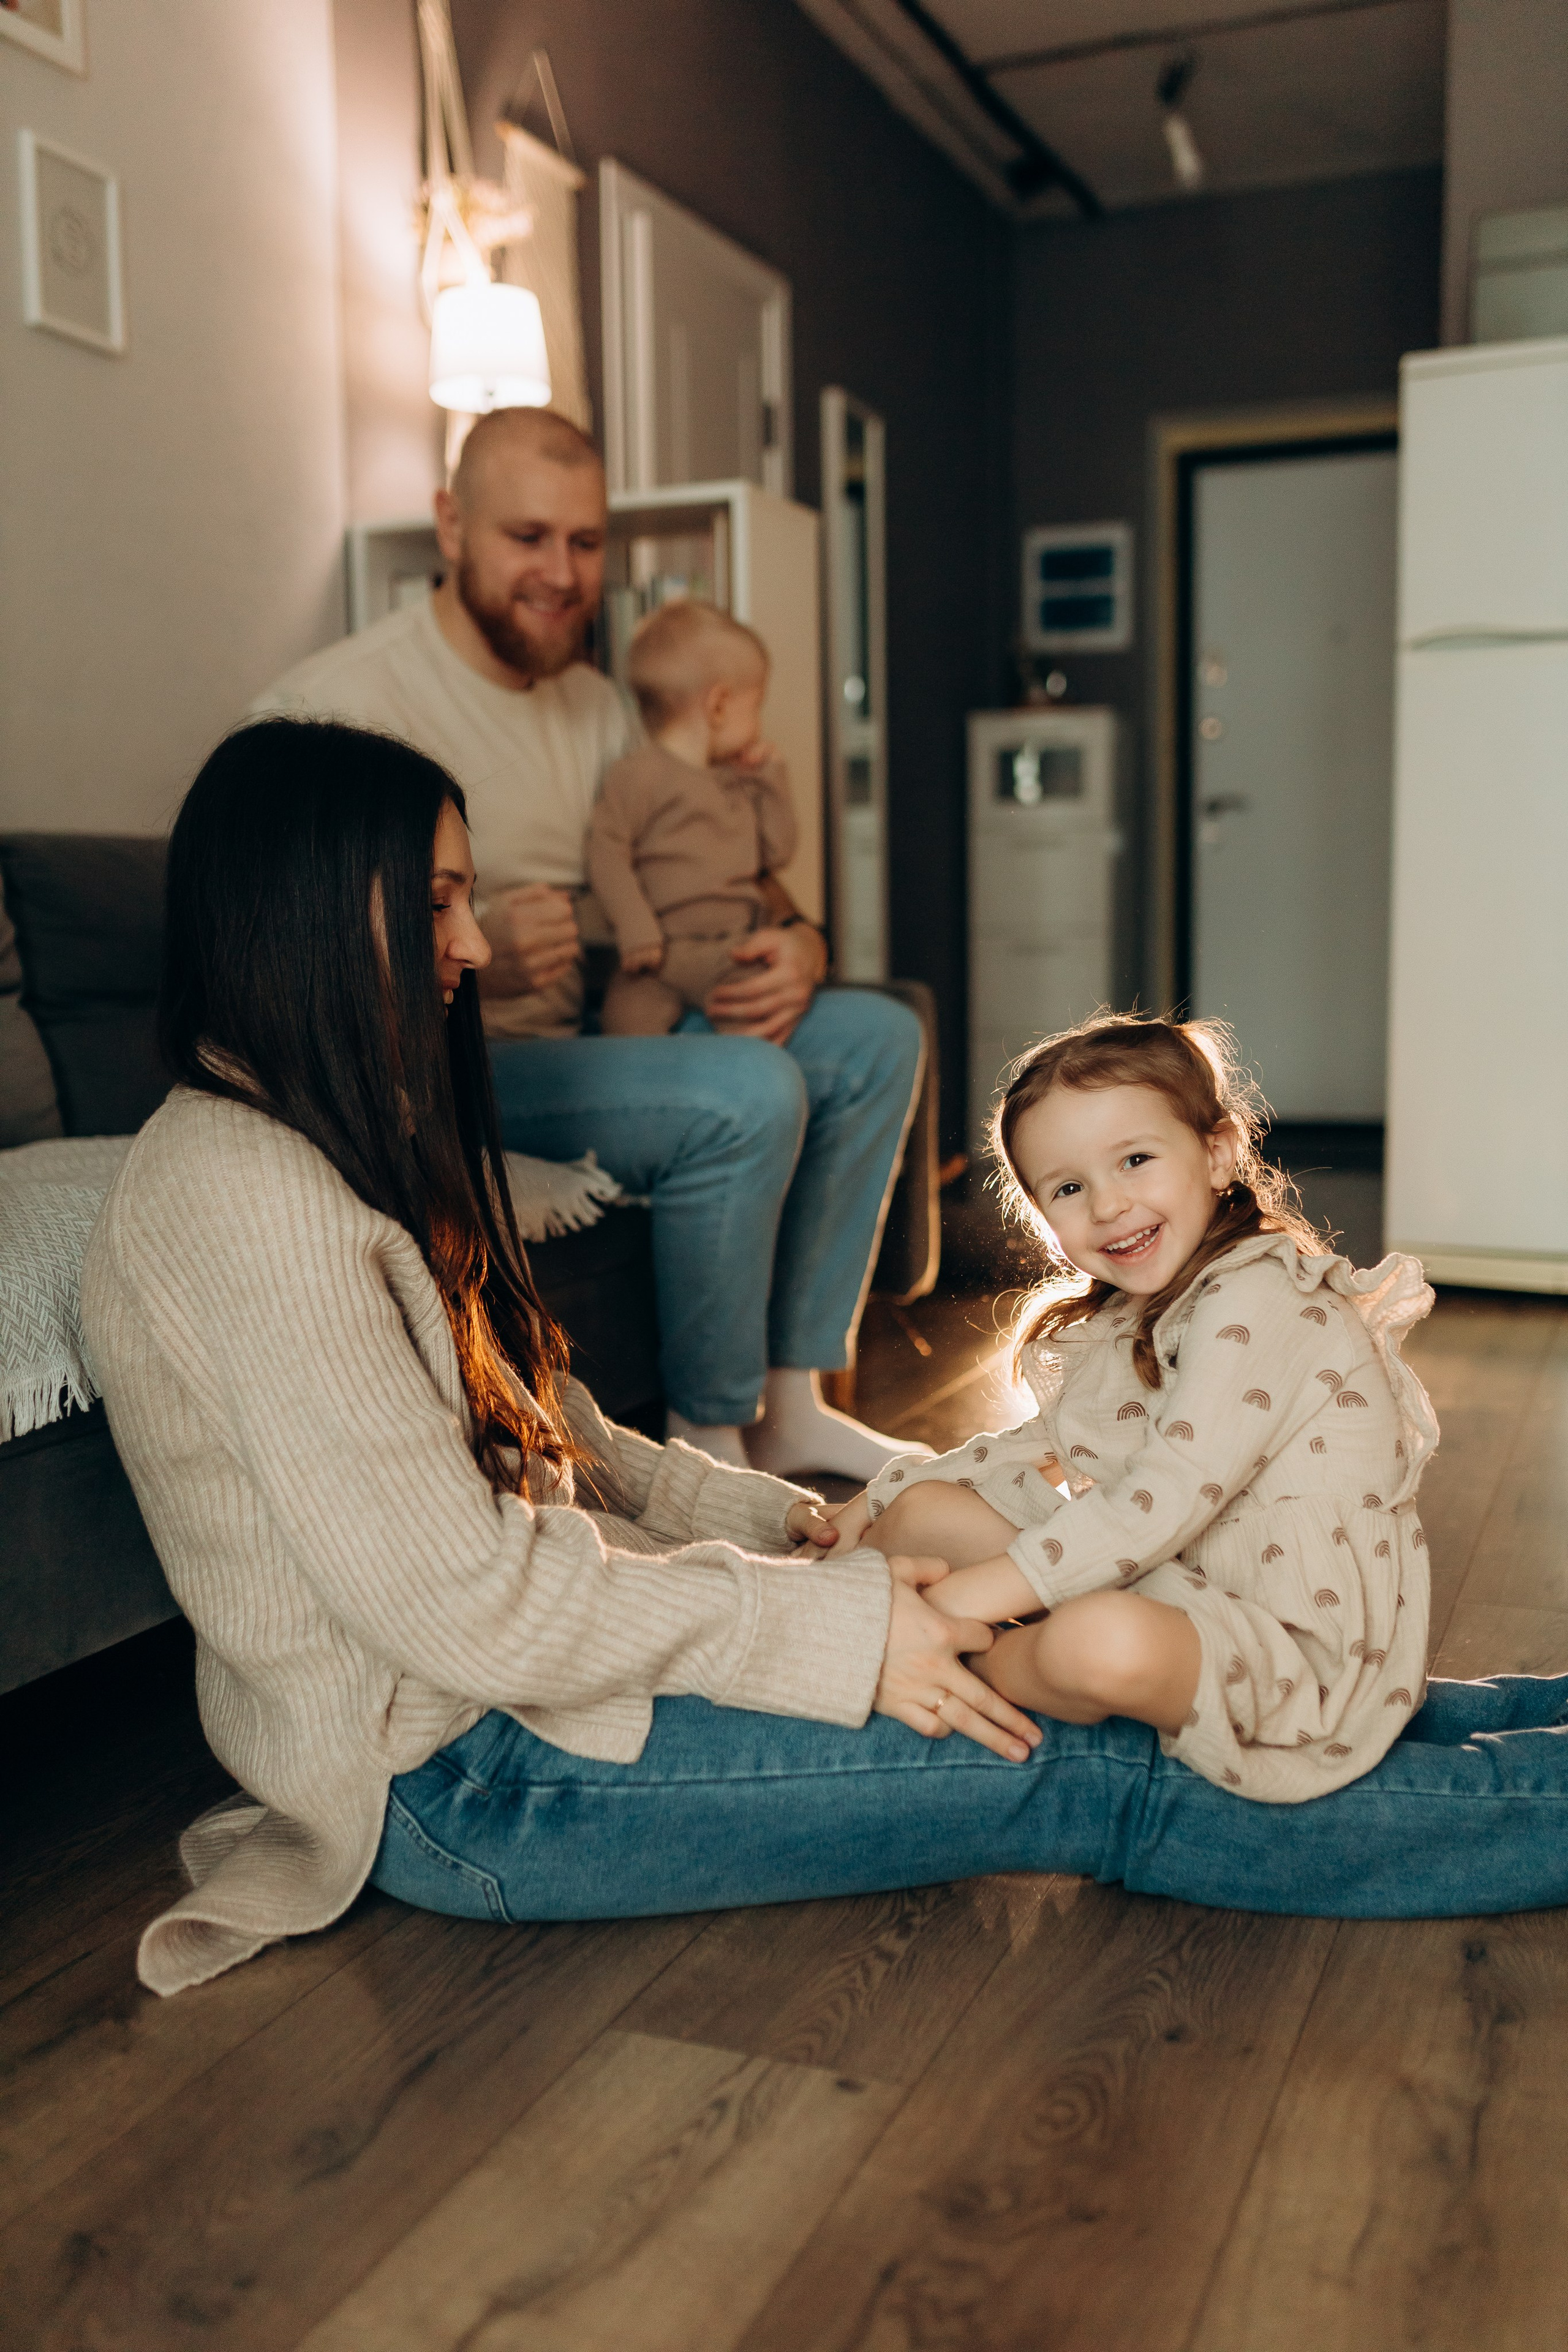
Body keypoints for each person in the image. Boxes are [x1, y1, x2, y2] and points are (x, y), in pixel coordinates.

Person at [83, 720, 1568, 2003]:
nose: (472, 947)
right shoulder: (245, 1197)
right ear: (301, 916)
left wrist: (781, 1525)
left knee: (1161, 1668)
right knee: (1095, 1751)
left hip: (518, 1702)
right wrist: (839, 1629)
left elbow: (554, 1438)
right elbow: (468, 1605)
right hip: (468, 1780)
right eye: (439, 902)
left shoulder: (322, 1147)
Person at [251, 407, 924, 1482]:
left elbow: (723, 864)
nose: (563, 574)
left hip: (617, 1030)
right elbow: (277, 961)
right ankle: (709, 1436)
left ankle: (791, 1401)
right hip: (448, 1067)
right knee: (744, 1092)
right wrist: (462, 953)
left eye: (586, 542)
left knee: (875, 1035)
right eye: (528, 537)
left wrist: (799, 938)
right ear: (451, 526)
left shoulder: (603, 706)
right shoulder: (336, 711)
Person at [835, 1014, 1437, 1801]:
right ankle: (912, 1642)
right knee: (920, 1514)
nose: (1110, 1205)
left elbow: (1162, 1502)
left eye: (1136, 1160)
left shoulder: (1261, 1295)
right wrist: (875, 1498)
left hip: (1294, 1667)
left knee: (1099, 1643)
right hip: (1183, 1588)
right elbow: (1040, 1442)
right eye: (1070, 1188)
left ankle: (944, 1660)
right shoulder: (1138, 1309)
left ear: (1218, 1153)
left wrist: (939, 1609)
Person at [587, 600, 796, 1038]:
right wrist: (635, 926)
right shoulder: (637, 774)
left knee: (761, 1018)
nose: (759, 725)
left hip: (732, 952)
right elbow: (606, 852)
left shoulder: (739, 781)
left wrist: (772, 779)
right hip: (656, 955)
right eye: (757, 706)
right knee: (624, 1025)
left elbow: (778, 852)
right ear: (719, 705)